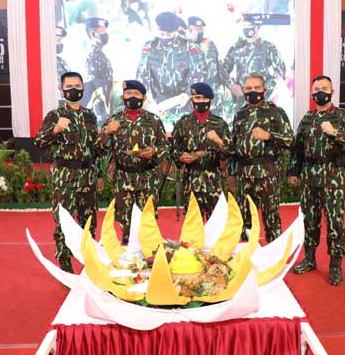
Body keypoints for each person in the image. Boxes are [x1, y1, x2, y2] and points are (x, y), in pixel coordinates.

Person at [288, 75, 345, 286]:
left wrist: (335, 132)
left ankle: (335, 265)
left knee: (335, 223)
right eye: (317, 88)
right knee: (309, 221)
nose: (320, 91)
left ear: (332, 92)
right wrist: (293, 171)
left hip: (333, 177)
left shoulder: (342, 115)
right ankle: (310, 259)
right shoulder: (307, 118)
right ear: (312, 94)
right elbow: (297, 148)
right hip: (310, 176)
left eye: (325, 88)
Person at [34, 71, 103, 273]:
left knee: (89, 222)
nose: (74, 90)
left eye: (77, 86)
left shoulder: (90, 115)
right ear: (61, 89)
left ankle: (89, 265)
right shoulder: (54, 115)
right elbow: (39, 142)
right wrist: (55, 130)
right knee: (64, 222)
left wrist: (98, 174)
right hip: (65, 175)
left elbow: (95, 149)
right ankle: (65, 266)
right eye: (69, 86)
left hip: (87, 175)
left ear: (83, 88)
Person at [97, 80, 170, 243]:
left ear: (143, 97)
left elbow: (165, 145)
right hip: (123, 179)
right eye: (129, 93)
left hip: (147, 178)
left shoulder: (154, 120)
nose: (132, 97)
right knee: (125, 222)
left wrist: (155, 151)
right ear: (123, 97)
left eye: (137, 94)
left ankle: (148, 259)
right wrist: (107, 132)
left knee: (148, 222)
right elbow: (98, 149)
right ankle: (129, 259)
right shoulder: (113, 120)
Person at [227, 73, 294, 243]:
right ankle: (248, 256)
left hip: (267, 172)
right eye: (248, 88)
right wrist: (231, 173)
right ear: (243, 90)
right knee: (244, 218)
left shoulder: (275, 112)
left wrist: (269, 136)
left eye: (256, 88)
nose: (252, 91)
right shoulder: (240, 114)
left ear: (264, 89)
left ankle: (274, 255)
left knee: (271, 217)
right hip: (244, 173)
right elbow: (234, 147)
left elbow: (289, 140)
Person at [172, 82, 231, 220]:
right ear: (192, 99)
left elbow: (230, 152)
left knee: (216, 223)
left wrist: (219, 141)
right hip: (191, 179)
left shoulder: (220, 123)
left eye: (204, 98)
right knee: (193, 225)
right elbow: (173, 149)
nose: (201, 101)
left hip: (213, 180)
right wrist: (181, 157)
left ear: (211, 100)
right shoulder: (183, 122)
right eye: (197, 98)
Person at [136, 12, 204, 114]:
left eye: (168, 34)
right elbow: (142, 74)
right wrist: (145, 95)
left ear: (176, 31)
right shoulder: (149, 47)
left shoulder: (189, 47)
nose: (164, 37)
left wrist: (187, 94)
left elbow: (198, 75)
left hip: (183, 105)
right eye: (161, 33)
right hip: (155, 105)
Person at [221, 14, 286, 108]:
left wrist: (266, 91)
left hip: (262, 102)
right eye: (244, 26)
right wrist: (232, 86)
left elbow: (280, 73)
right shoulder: (236, 47)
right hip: (241, 102)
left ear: (258, 27)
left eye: (250, 26)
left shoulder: (268, 47)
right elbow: (223, 69)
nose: (247, 29)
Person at [84, 17, 114, 122]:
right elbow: (97, 88)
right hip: (100, 109)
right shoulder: (93, 56)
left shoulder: (100, 54)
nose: (106, 34)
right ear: (93, 34)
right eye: (102, 31)